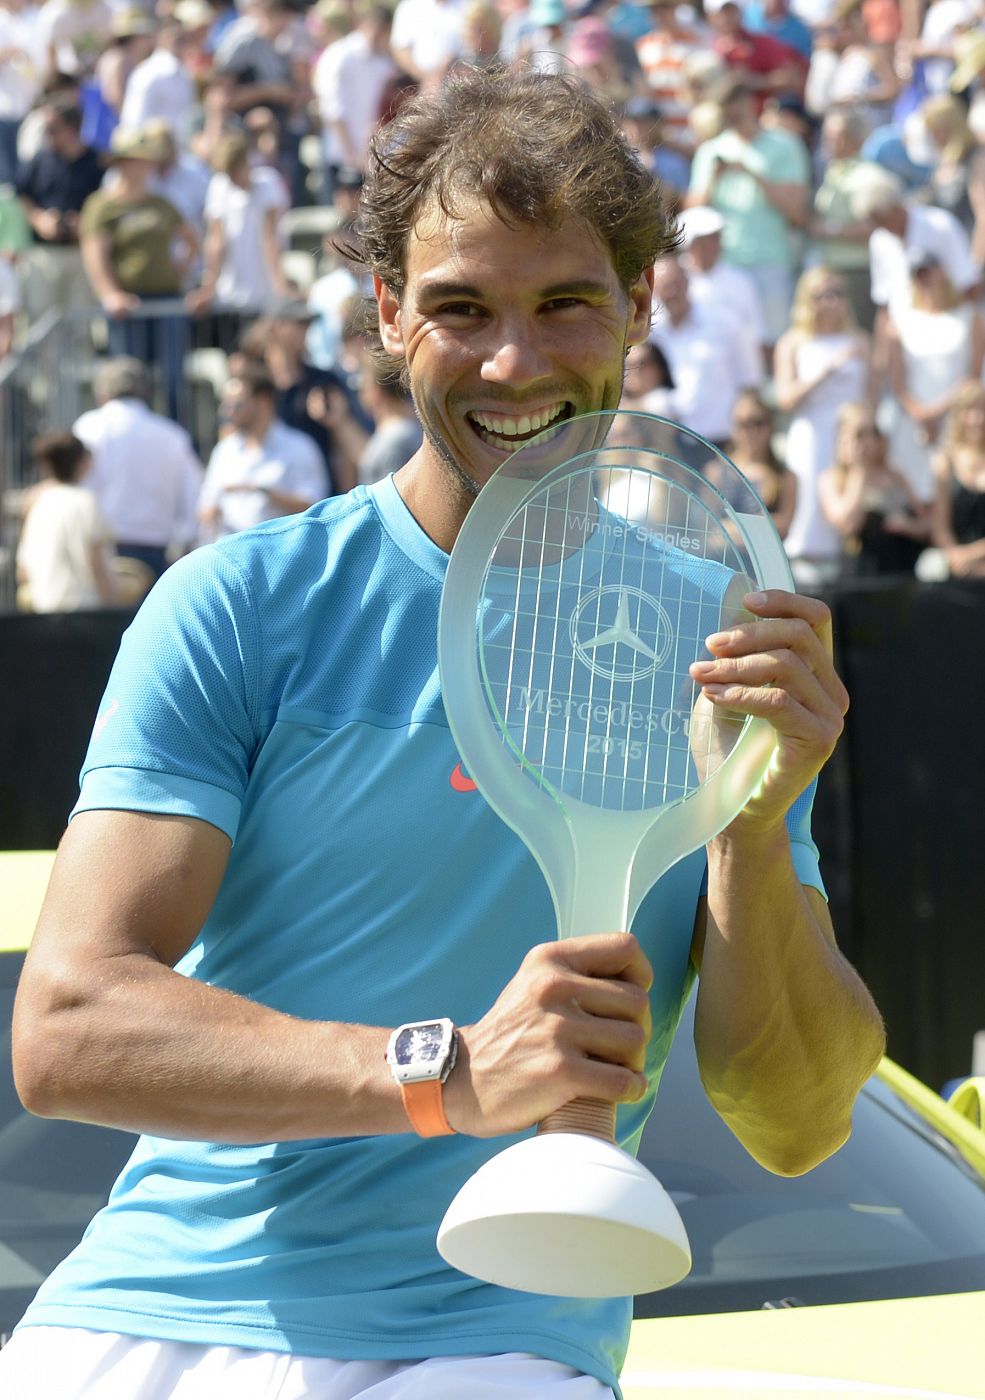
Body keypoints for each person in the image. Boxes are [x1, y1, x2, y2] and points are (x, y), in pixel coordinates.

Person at [1, 66, 883, 1400]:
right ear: (388, 314)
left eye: (565, 304)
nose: (514, 363)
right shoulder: (241, 602)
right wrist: (447, 1073)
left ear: (641, 306)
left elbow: (796, 1121)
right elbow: (66, 1028)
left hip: (496, 1347)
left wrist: (751, 832)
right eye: (462, 310)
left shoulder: (725, 649)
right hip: (133, 1323)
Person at [686, 77, 811, 350]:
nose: (732, 114)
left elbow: (797, 213)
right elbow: (692, 215)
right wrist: (714, 180)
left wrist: (753, 174)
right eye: (725, 108)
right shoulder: (711, 150)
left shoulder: (785, 145)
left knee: (773, 342)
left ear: (750, 104)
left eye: (736, 106)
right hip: (724, 262)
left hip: (771, 259)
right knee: (727, 342)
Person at [773, 265, 872, 586]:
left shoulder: (860, 340)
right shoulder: (792, 342)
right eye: (821, 295)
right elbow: (785, 398)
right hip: (810, 432)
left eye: (836, 293)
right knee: (809, 500)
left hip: (849, 432)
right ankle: (805, 560)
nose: (829, 301)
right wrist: (826, 370)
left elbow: (871, 397)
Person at [72, 356, 204, 579]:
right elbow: (194, 498)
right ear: (144, 392)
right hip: (156, 553)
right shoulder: (172, 435)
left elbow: (76, 490)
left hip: (100, 551)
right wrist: (182, 544)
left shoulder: (87, 427)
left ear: (102, 393)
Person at [885, 250, 985, 503]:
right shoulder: (900, 321)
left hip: (957, 422)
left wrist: (937, 413)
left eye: (930, 272)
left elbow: (972, 377)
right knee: (914, 497)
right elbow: (898, 382)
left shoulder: (970, 317)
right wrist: (922, 416)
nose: (926, 279)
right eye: (920, 275)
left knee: (952, 497)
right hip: (913, 425)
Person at [197, 361, 330, 538]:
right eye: (226, 405)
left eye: (237, 405)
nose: (228, 412)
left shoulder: (300, 447)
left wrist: (263, 492)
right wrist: (211, 511)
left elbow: (317, 507)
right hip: (230, 555)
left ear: (263, 402)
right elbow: (205, 506)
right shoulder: (224, 450)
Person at [650, 254, 763, 448]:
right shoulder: (650, 333)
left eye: (675, 284)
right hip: (670, 443)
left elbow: (750, 380)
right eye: (664, 287)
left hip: (723, 441)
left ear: (688, 282)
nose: (671, 293)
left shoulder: (725, 323)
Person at [819, 401, 931, 575]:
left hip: (902, 567)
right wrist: (860, 471)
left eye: (873, 432)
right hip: (861, 572)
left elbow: (927, 524)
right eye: (859, 434)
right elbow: (848, 526)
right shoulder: (832, 478)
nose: (867, 441)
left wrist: (907, 525)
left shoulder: (895, 474)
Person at [15, 431, 120, 613]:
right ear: (81, 462)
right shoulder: (86, 502)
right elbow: (96, 563)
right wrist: (114, 606)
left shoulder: (38, 501)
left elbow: (23, 571)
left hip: (44, 609)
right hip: (84, 610)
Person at [714, 389, 797, 538]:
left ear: (771, 425)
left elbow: (783, 527)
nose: (750, 431)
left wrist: (730, 528)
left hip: (765, 561)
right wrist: (758, 526)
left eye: (757, 423)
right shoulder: (715, 472)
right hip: (720, 559)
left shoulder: (785, 478)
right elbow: (705, 529)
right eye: (742, 424)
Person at [927, 379, 985, 578]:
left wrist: (970, 555)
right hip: (958, 570)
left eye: (982, 410)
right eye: (970, 410)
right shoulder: (945, 462)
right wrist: (955, 556)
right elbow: (940, 527)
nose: (977, 419)